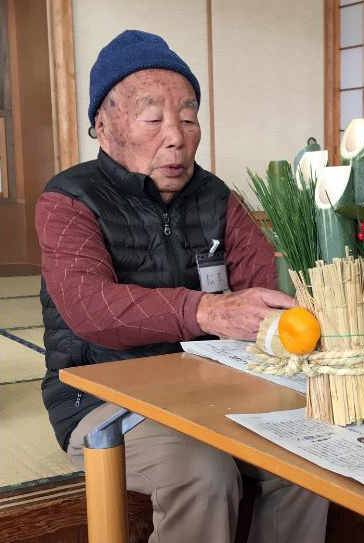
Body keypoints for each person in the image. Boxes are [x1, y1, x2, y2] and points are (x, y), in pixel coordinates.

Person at [35, 30, 328, 543]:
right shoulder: (68, 198)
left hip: (211, 387)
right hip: (102, 395)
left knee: (307, 456)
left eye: (189, 117)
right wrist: (207, 312)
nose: (176, 135)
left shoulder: (217, 197)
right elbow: (88, 307)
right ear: (104, 127)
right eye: (153, 118)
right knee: (203, 471)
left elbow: (262, 289)